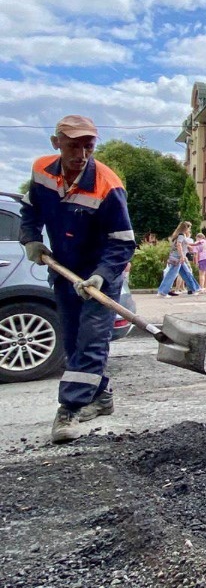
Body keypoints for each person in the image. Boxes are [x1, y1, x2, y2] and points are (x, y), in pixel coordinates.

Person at [19, 114, 136, 444]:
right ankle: (101, 397)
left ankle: (69, 408)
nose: (82, 154)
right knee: (72, 340)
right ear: (56, 143)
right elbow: (30, 211)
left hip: (101, 274)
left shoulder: (107, 185)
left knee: (91, 340)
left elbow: (123, 240)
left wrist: (100, 276)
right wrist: (31, 239)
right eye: (74, 146)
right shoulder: (42, 171)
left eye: (89, 146)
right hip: (64, 269)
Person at [157, 221, 201, 297]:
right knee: (172, 274)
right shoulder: (181, 235)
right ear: (185, 228)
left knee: (187, 273)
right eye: (189, 228)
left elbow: (183, 244)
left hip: (178, 257)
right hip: (178, 257)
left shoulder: (179, 235)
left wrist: (192, 246)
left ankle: (195, 289)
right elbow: (179, 244)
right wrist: (182, 256)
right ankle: (162, 292)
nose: (190, 230)